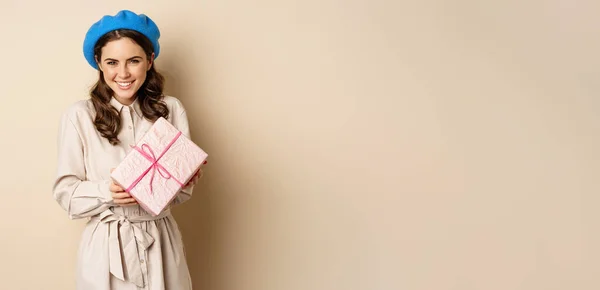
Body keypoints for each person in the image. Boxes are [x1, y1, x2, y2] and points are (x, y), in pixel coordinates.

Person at [52, 10, 201, 290]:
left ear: (150, 60)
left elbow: (181, 195)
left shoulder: (171, 109)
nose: (123, 73)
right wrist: (108, 191)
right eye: (112, 62)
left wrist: (184, 180)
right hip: (105, 248)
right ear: (98, 63)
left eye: (133, 60)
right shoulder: (79, 116)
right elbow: (65, 193)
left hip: (160, 242)